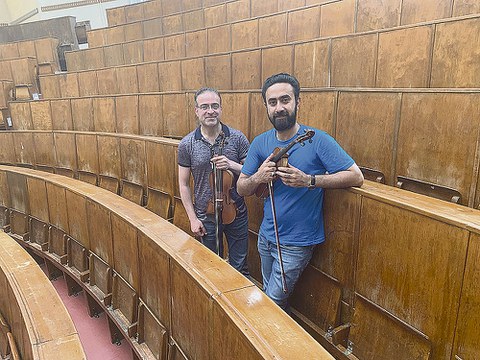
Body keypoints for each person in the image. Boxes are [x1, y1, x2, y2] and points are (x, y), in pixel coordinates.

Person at [237, 73, 363, 310]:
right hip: (266, 236)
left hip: (297, 242)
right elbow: (242, 187)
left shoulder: (317, 140)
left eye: (285, 100)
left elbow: (356, 176)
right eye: (272, 102)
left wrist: (310, 180)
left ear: (297, 102)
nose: (279, 108)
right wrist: (258, 177)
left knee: (271, 303)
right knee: (271, 298)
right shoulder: (260, 142)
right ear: (266, 106)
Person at [178, 87, 250, 276]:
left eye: (214, 106)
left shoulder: (237, 138)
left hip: (236, 211)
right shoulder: (187, 144)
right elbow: (183, 184)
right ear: (197, 111)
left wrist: (231, 164)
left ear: (221, 108)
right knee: (210, 268)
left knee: (239, 267)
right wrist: (193, 219)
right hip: (206, 215)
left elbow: (252, 172)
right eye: (205, 106)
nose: (210, 110)